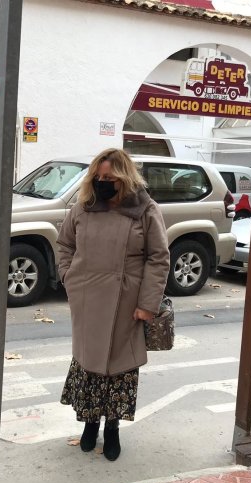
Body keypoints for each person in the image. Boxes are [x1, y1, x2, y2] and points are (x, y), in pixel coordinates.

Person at [57, 148, 170, 461]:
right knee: (88, 366)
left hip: (126, 303)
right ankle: (90, 423)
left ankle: (113, 427)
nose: (103, 183)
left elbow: (159, 257)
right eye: (99, 177)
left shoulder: (146, 209)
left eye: (110, 178)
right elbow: (65, 245)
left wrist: (148, 303)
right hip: (86, 299)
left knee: (119, 369)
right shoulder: (83, 208)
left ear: (126, 178)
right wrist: (69, 277)